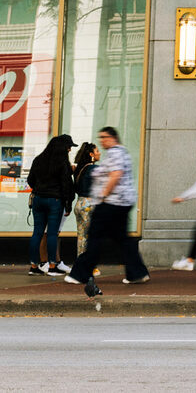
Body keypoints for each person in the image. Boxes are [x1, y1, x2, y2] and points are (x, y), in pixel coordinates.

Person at [65, 126, 149, 298]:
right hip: (119, 203)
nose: (102, 141)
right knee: (122, 240)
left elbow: (116, 175)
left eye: (104, 137)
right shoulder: (119, 153)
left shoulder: (116, 153)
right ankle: (137, 273)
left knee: (95, 237)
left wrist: (103, 194)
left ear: (112, 138)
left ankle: (80, 273)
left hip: (111, 203)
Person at [25, 134, 75, 276]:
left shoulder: (39, 159)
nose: (70, 150)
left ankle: (34, 266)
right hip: (55, 201)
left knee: (37, 233)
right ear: (62, 147)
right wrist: (68, 204)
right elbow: (66, 185)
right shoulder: (62, 163)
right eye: (68, 147)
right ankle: (52, 266)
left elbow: (30, 180)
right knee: (52, 233)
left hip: (38, 199)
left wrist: (40, 190)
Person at [70, 142, 98, 262]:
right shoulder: (93, 168)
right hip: (89, 204)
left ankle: (80, 263)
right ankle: (90, 266)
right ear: (91, 154)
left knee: (81, 237)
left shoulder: (79, 169)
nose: (99, 153)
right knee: (91, 237)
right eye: (97, 151)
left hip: (79, 203)